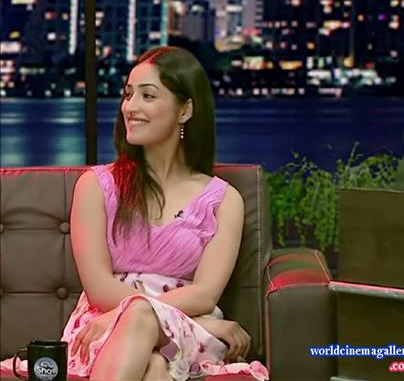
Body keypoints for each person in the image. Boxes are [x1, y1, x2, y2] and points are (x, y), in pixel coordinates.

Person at [3, 46, 268, 381]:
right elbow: (100, 289)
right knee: (153, 365)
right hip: (104, 323)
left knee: (143, 322)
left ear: (185, 110)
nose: (130, 107)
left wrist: (155, 314)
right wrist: (143, 314)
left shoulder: (224, 200)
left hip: (187, 329)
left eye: (148, 95)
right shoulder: (96, 186)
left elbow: (205, 293)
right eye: (128, 94)